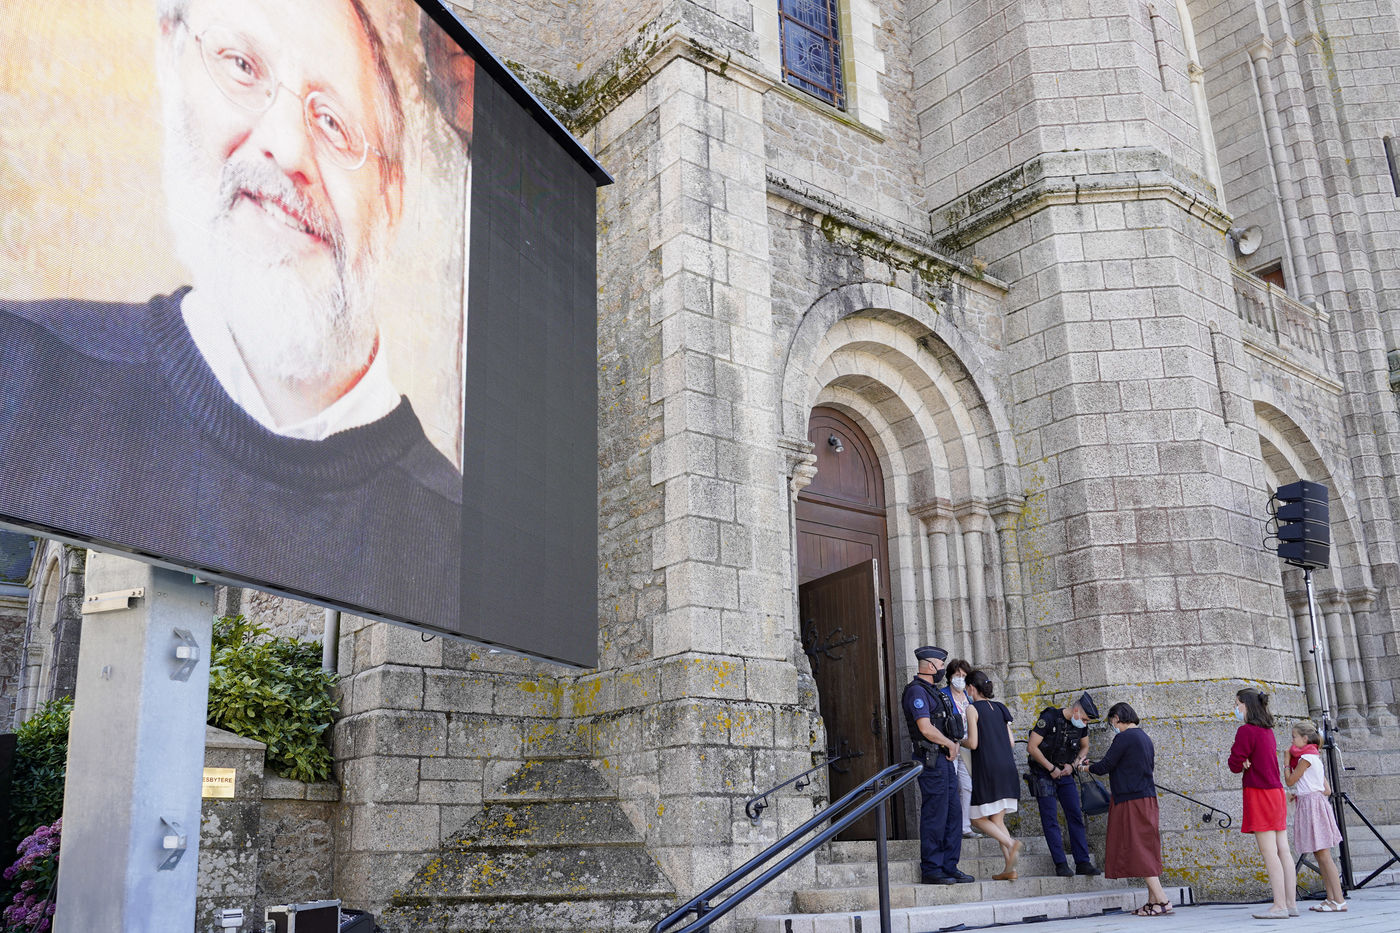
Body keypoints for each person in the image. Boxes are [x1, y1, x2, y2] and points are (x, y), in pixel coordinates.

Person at [0, 0, 463, 628]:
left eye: (333, 123)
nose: (286, 148)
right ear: (172, 60)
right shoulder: (19, 366)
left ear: (392, 197)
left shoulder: (459, 537)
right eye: (243, 66)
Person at [1085, 702, 1171, 917]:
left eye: (1112, 722)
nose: (1113, 726)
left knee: (1138, 848)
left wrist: (1085, 767)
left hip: (1131, 800)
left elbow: (1105, 766)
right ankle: (1152, 902)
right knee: (1146, 847)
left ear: (1116, 718)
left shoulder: (1124, 738)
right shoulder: (1144, 737)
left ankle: (1162, 900)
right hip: (1147, 798)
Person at [902, 645, 974, 885]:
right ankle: (932, 868)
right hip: (932, 759)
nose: (943, 669)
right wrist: (950, 744)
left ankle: (949, 866)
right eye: (941, 665)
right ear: (931, 665)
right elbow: (925, 728)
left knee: (953, 814)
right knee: (936, 814)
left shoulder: (935, 692)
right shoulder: (916, 691)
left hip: (944, 760)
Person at [1229, 688, 1297, 920]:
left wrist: (1242, 762)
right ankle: (1290, 903)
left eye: (1238, 704)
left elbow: (1234, 762)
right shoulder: (1267, 731)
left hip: (1259, 792)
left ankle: (1279, 905)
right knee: (1283, 850)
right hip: (1276, 792)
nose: (1236, 708)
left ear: (1246, 706)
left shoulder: (1246, 731)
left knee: (1269, 852)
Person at [1027, 691, 1102, 877]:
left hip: (1065, 772)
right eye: (1084, 719)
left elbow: (1085, 746)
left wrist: (1073, 764)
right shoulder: (1049, 717)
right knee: (1050, 818)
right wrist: (1051, 768)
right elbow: (1032, 747)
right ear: (1076, 711)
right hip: (1043, 773)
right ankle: (1060, 864)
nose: (1085, 723)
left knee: (1075, 815)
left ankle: (1082, 862)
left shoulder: (1080, 726)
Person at [962, 670, 1022, 880]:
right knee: (997, 819)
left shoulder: (972, 708)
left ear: (971, 688)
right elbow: (1011, 742)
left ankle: (1011, 843)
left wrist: (958, 741)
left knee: (976, 819)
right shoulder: (1000, 707)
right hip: (1007, 767)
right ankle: (1010, 869)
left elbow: (973, 743)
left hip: (987, 768)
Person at [1286, 720, 1345, 912]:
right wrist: (1302, 794)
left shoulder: (1305, 758)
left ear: (1305, 738)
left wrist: (1286, 763)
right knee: (1320, 855)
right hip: (1315, 803)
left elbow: (1290, 780)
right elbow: (1326, 789)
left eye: (1294, 737)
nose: (1292, 741)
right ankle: (1331, 898)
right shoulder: (1315, 757)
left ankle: (1339, 900)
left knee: (1324, 856)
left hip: (1312, 807)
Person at [942, 657, 977, 838]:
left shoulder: (970, 697)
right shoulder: (942, 695)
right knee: (951, 786)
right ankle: (950, 827)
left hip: (966, 746)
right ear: (950, 676)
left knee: (967, 786)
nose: (961, 679)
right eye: (957, 675)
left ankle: (965, 826)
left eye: (964, 676)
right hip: (950, 746)